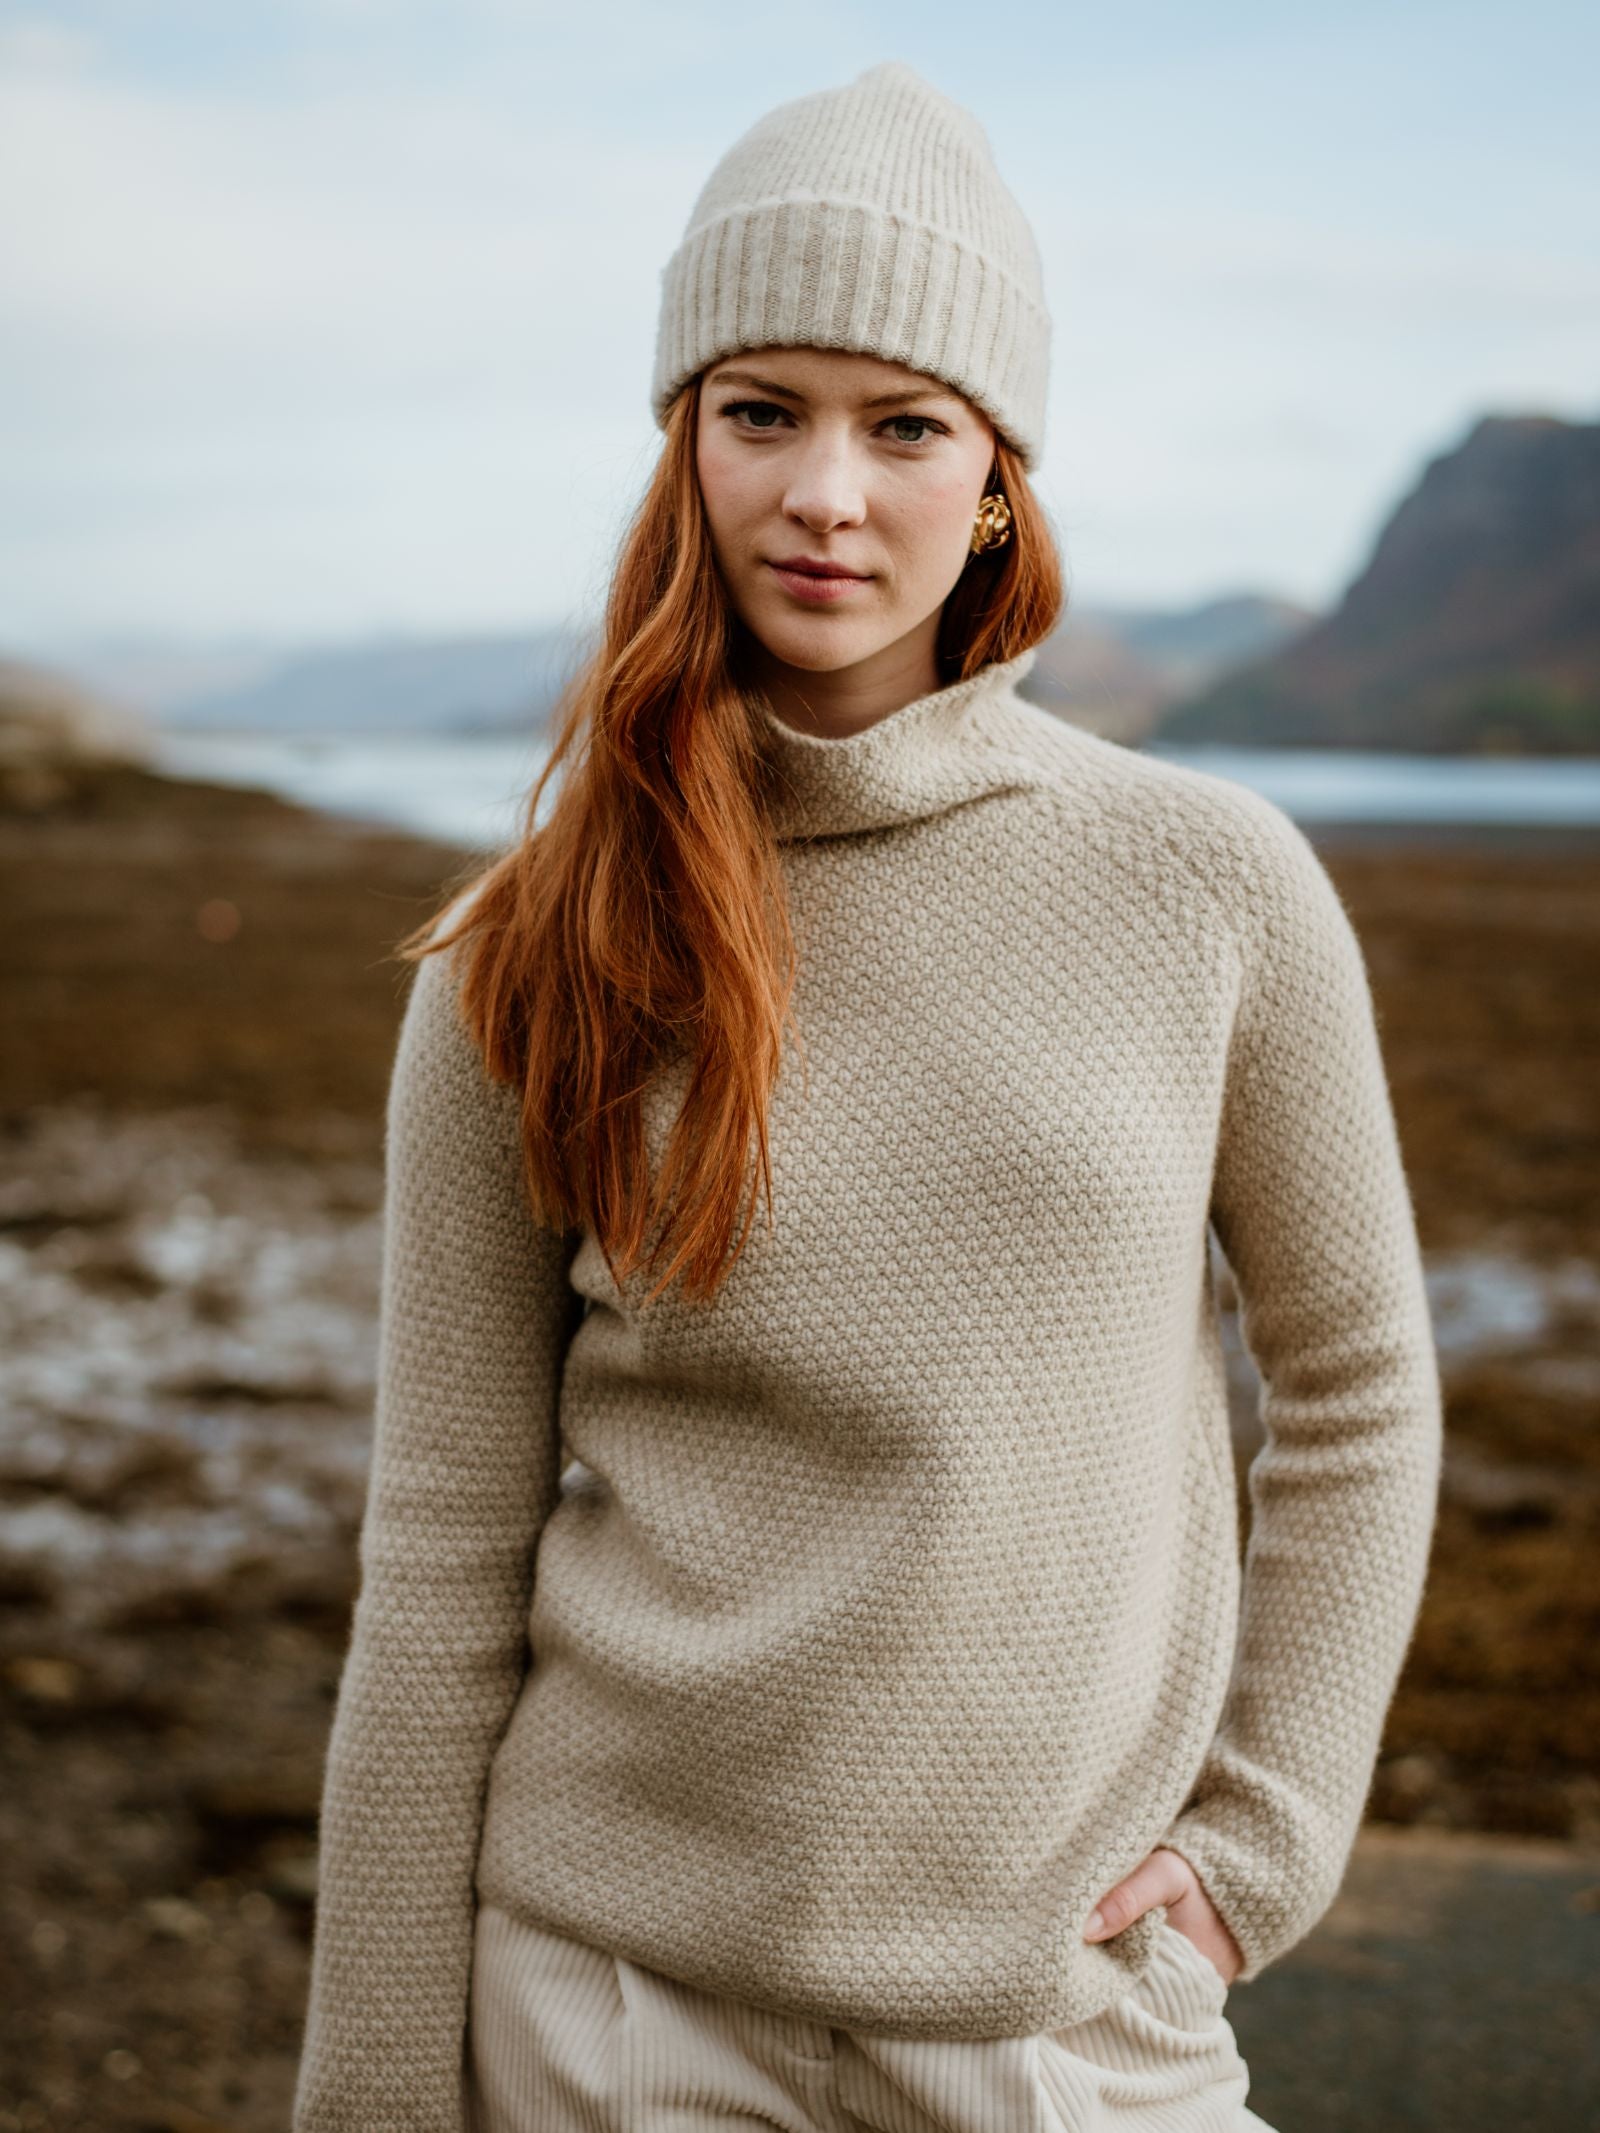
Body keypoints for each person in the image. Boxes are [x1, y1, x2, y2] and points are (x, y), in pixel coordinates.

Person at [290, 59, 1442, 2133]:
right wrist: (371, 2086)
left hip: (1062, 2016)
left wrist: (1255, 1845)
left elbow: (1355, 1383)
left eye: (902, 425)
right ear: (682, 447)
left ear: (995, 472)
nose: (827, 493)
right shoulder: (521, 952)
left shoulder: (1207, 884)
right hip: (609, 2011)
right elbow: (443, 1556)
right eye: (763, 412)